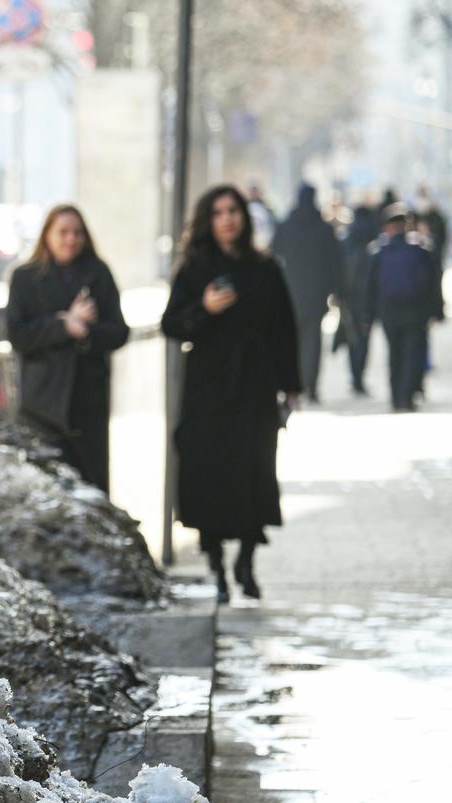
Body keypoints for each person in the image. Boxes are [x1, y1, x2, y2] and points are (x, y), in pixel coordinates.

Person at [162, 185, 301, 602]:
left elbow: (284, 330)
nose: (227, 219)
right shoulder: (194, 267)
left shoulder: (265, 267)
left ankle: (247, 560)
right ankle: (217, 565)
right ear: (209, 219)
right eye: (219, 212)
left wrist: (292, 385)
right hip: (208, 387)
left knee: (253, 470)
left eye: (234, 211)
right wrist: (205, 308)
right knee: (209, 471)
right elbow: (172, 324)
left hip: (255, 385)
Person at [5, 205, 128, 494]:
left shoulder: (98, 274)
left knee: (90, 485)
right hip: (41, 402)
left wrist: (84, 332)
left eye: (77, 233)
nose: (70, 240)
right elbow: (18, 334)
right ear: (47, 235)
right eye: (63, 232)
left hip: (87, 401)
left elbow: (119, 331)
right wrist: (63, 326)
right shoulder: (25, 277)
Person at [363, 203, 444, 412]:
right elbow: (433, 282)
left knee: (394, 353)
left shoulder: (378, 251)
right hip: (415, 310)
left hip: (388, 310)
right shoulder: (421, 249)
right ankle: (407, 397)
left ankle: (396, 397)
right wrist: (437, 310)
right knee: (412, 353)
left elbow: (369, 286)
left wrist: (367, 315)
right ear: (408, 224)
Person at [270, 184, 345, 403]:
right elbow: (335, 263)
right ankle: (309, 384)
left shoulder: (287, 225)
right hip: (315, 294)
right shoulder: (322, 228)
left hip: (290, 291)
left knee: (293, 340)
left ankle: (294, 383)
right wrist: (337, 291)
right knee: (313, 341)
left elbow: (275, 252)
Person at [337, 202, 381, 395]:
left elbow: (338, 268)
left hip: (349, 297)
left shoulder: (346, 239)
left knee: (352, 337)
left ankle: (355, 377)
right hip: (368, 298)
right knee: (364, 338)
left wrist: (338, 294)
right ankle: (360, 377)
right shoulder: (374, 239)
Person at [247, 183, 277, 251]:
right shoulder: (244, 208)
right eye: (252, 191)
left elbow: (272, 226)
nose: (254, 193)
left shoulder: (267, 209)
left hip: (265, 244)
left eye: (256, 191)